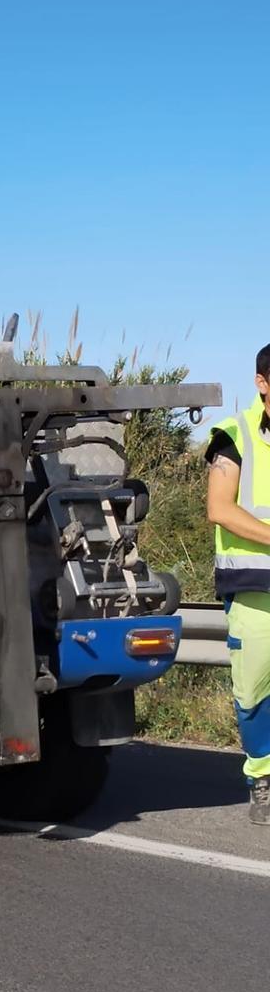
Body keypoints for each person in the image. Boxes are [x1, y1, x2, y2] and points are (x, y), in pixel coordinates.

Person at [206, 343, 270, 824]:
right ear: (262, 383)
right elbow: (220, 509)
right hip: (253, 588)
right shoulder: (234, 437)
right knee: (253, 693)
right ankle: (262, 778)